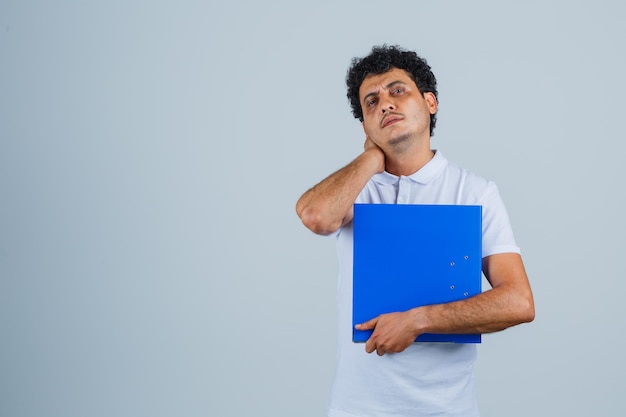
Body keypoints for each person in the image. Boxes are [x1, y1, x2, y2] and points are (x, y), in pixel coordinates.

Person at [296, 45, 535, 417]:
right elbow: (315, 216)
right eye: (371, 102)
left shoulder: (475, 192)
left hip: (447, 409)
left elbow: (518, 302)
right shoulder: (355, 189)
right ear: (364, 126)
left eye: (397, 91)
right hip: (355, 408)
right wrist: (372, 158)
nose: (385, 105)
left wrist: (418, 320)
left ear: (430, 103)